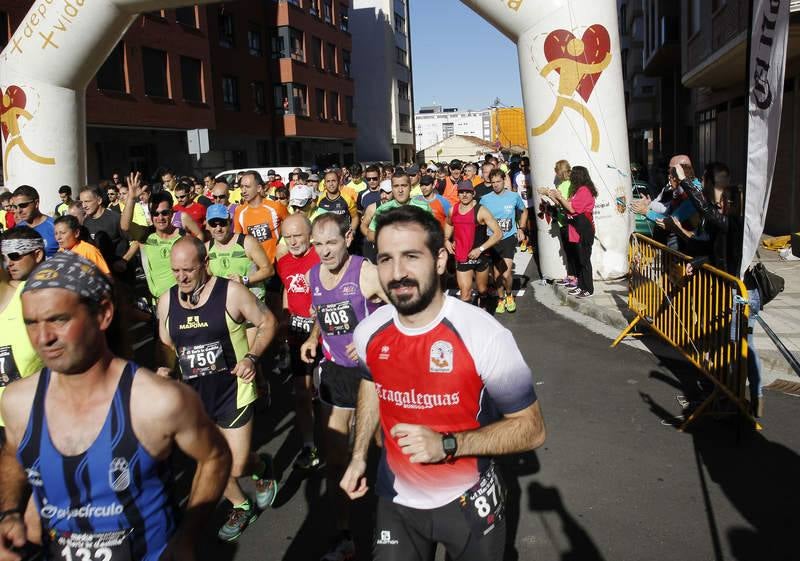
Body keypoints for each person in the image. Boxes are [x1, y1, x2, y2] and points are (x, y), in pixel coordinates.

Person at [342, 205, 546, 561]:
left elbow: (532, 430)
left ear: (439, 260)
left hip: (468, 503)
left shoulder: (483, 334)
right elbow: (371, 384)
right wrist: (359, 455)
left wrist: (448, 445)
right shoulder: (369, 332)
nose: (397, 272)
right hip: (397, 501)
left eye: (410, 256)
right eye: (386, 258)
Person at [0, 252, 233, 561]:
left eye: (59, 319)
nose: (43, 337)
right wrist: (11, 512)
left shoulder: (158, 401)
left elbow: (216, 456)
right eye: (32, 323)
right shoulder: (18, 402)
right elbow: (15, 457)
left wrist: (187, 537)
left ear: (103, 314)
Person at [158, 238, 279, 542]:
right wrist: (166, 368)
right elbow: (167, 344)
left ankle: (260, 465)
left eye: (188, 270)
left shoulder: (232, 292)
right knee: (212, 461)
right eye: (175, 271)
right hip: (194, 397)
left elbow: (267, 321)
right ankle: (241, 505)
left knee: (236, 464)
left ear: (205, 264)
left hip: (232, 390)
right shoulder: (167, 300)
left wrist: (252, 357)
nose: (181, 277)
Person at [300, 213, 386, 561]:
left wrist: (371, 339)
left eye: (330, 243)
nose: (323, 251)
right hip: (335, 373)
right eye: (317, 244)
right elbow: (322, 314)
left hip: (370, 374)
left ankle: (392, 521)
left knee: (383, 453)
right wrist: (312, 337)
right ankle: (344, 533)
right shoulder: (312, 275)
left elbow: (401, 311)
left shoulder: (366, 272)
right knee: (335, 457)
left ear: (347, 238)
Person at [276, 214, 321, 470]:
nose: (293, 242)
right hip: (297, 334)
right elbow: (287, 289)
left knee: (327, 394)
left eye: (298, 236)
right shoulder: (283, 263)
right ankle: (309, 446)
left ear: (310, 235)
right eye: (288, 236)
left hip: (324, 334)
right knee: (302, 394)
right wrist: (284, 317)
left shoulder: (322, 259)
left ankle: (341, 441)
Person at [0, 228, 45, 429]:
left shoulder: (42, 297)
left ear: (38, 254)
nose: (9, 262)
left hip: (36, 420)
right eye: (5, 257)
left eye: (15, 256)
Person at [444, 181, 502, 307]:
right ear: (458, 194)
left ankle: (484, 310)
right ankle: (470, 322)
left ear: (473, 193)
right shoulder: (452, 210)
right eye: (461, 192)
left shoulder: (481, 211)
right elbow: (448, 223)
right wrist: (446, 240)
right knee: (465, 294)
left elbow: (498, 234)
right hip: (462, 256)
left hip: (480, 256)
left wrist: (480, 249)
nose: (464, 195)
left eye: (467, 192)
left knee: (482, 290)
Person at [206, 204, 274, 305]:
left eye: (223, 223)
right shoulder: (207, 248)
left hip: (252, 305)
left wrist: (244, 280)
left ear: (230, 222)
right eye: (213, 224)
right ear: (207, 225)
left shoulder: (247, 242)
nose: (218, 228)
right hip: (224, 306)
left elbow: (269, 270)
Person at [481, 169, 528, 313]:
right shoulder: (485, 199)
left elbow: (524, 211)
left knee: (506, 274)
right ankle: (501, 298)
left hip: (508, 237)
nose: (495, 185)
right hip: (493, 240)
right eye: (493, 182)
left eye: (498, 182)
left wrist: (522, 228)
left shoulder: (513, 196)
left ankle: (509, 295)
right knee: (496, 275)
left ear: (504, 181)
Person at [547, 166, 597, 298]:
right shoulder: (577, 190)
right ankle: (580, 285)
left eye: (573, 174)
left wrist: (559, 196)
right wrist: (553, 196)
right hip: (575, 227)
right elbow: (565, 206)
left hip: (583, 227)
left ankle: (588, 288)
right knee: (578, 258)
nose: (571, 176)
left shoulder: (584, 190)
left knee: (584, 259)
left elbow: (573, 209)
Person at [233, 171, 288, 265]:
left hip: (277, 264)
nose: (243, 191)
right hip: (255, 267)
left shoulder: (276, 207)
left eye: (247, 187)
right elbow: (238, 241)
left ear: (258, 188)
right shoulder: (239, 211)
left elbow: (292, 227)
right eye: (241, 187)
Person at [366, 172, 431, 243]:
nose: (400, 190)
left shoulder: (423, 208)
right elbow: (370, 234)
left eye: (404, 185)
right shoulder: (383, 209)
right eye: (396, 186)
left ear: (410, 187)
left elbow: (433, 233)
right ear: (392, 189)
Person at [10, 185, 57, 257]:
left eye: (23, 205)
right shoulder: (18, 229)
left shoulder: (54, 226)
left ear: (36, 203)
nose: (19, 211)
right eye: (16, 207)